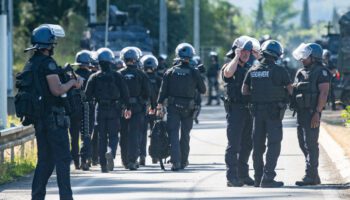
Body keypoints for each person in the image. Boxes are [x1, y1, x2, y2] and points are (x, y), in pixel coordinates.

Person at [22, 24, 82, 200]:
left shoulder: (31, 63)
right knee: (63, 160)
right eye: (53, 43)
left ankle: (37, 197)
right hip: (54, 119)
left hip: (40, 119)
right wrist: (73, 83)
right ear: (48, 45)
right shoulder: (48, 64)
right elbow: (57, 90)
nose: (54, 46)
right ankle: (66, 197)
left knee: (45, 161)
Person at [242, 40, 293, 188]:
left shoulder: (252, 69)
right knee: (274, 144)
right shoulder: (280, 70)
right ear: (277, 55)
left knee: (257, 145)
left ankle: (258, 178)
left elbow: (244, 91)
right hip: (274, 113)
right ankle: (268, 178)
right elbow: (290, 90)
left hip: (257, 112)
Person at [156, 43, 206, 171]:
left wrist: (159, 106)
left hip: (173, 107)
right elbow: (203, 90)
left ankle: (176, 162)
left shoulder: (170, 72)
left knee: (173, 133)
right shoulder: (194, 71)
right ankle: (183, 161)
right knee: (185, 135)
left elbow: (163, 91)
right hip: (188, 108)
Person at [222, 36, 260, 187]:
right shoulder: (229, 65)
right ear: (236, 50)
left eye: (248, 51)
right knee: (234, 145)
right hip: (235, 110)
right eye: (243, 50)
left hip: (248, 110)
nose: (246, 54)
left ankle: (243, 175)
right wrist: (237, 56)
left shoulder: (250, 68)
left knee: (247, 144)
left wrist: (258, 57)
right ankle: (231, 177)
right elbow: (228, 74)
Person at [85, 47, 131, 173]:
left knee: (101, 137)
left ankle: (103, 166)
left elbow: (87, 96)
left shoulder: (94, 77)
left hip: (99, 109)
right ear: (111, 61)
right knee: (114, 136)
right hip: (114, 109)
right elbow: (125, 93)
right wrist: (127, 107)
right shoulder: (117, 76)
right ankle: (110, 151)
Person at [292, 43, 330, 186]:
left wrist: (317, 113)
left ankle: (310, 176)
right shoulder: (301, 72)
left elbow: (324, 93)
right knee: (303, 144)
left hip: (312, 113)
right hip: (301, 113)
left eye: (305, 55)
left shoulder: (322, 72)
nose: (302, 58)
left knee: (310, 144)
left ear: (314, 57)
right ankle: (314, 175)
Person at [119, 47, 150, 170]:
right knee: (134, 134)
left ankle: (125, 161)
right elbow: (147, 92)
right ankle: (132, 161)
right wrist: (144, 103)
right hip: (137, 108)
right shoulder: (141, 74)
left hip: (122, 108)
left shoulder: (119, 74)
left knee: (123, 134)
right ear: (136, 59)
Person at [69, 50, 93, 170]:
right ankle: (85, 160)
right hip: (88, 109)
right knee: (86, 134)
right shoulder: (92, 76)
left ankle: (76, 162)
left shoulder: (71, 75)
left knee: (74, 137)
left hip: (73, 109)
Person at [139, 55, 162, 166]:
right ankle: (155, 156)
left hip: (143, 108)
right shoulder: (158, 78)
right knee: (156, 133)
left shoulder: (141, 77)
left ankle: (142, 156)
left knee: (142, 132)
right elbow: (162, 94)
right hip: (156, 108)